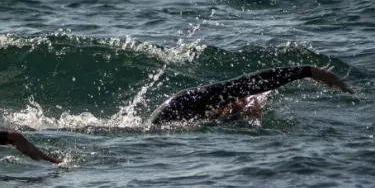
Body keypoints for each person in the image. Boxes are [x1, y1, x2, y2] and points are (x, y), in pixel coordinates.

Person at [150, 65, 352, 124]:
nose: (257, 110)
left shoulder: (211, 112)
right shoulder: (196, 101)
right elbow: (251, 81)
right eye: (251, 103)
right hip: (174, 112)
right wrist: (307, 71)